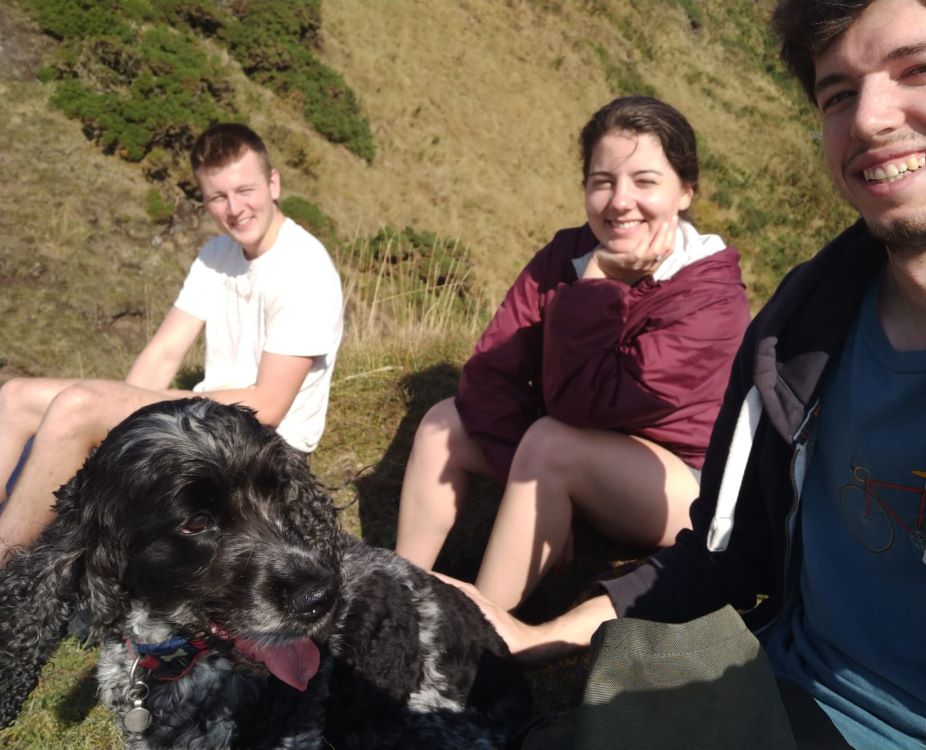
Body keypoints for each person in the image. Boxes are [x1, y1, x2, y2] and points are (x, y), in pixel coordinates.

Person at [443, 1, 926, 747]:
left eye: (921, 68)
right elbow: (721, 559)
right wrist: (533, 637)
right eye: (837, 94)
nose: (870, 118)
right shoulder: (798, 335)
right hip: (773, 694)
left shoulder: (720, 297)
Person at [396, 96, 750, 610]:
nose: (619, 201)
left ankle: (479, 637)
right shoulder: (565, 254)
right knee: (444, 422)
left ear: (685, 192)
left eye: (645, 182)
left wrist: (598, 285)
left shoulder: (711, 298)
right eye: (602, 181)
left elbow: (585, 405)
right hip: (575, 451)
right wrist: (530, 488)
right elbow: (489, 376)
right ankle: (394, 589)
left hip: (680, 488)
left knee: (553, 444)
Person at [0, 122, 343, 563]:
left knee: (78, 406)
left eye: (246, 190)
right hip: (203, 419)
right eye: (218, 197)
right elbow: (164, 352)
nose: (235, 208)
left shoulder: (304, 269)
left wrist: (143, 407)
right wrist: (127, 426)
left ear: (273, 184)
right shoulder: (216, 255)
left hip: (263, 446)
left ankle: (7, 558)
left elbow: (270, 403)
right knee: (15, 396)